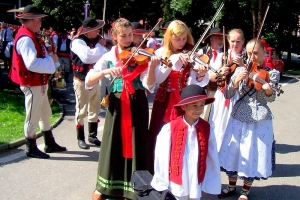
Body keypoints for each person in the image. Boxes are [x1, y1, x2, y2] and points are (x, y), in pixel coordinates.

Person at [86, 18, 161, 200]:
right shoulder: (108, 56)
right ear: (114, 36)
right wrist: (104, 72)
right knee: (113, 142)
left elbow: (148, 84)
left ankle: (134, 187)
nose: (128, 40)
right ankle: (105, 186)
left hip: (137, 103)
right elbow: (89, 80)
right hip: (117, 103)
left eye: (130, 35)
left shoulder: (141, 56)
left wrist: (151, 68)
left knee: (137, 142)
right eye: (123, 36)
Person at [218, 39, 280, 200]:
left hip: (259, 117)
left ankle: (245, 190)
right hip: (239, 113)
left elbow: (271, 98)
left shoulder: (271, 73)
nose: (252, 57)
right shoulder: (240, 70)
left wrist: (267, 90)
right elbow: (227, 94)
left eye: (256, 53)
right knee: (234, 150)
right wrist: (236, 80)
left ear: (263, 54)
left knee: (252, 152)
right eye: (249, 53)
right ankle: (231, 185)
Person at [146, 20, 209, 174]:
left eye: (184, 38)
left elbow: (196, 83)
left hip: (184, 101)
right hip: (164, 101)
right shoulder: (161, 53)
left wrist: (201, 75)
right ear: (169, 38)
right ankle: (160, 171)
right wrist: (173, 61)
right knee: (162, 136)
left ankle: (179, 170)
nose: (181, 43)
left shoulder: (191, 55)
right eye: (177, 39)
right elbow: (157, 80)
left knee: (181, 137)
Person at [9, 5, 66, 159]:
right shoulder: (26, 38)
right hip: (31, 83)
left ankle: (49, 142)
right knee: (32, 116)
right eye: (39, 20)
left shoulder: (31, 35)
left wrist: (47, 54)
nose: (41, 23)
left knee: (45, 113)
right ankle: (30, 146)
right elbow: (32, 64)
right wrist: (51, 60)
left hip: (38, 83)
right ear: (33, 21)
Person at [151, 84, 221, 200]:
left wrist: (207, 183)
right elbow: (162, 156)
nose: (199, 109)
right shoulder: (170, 128)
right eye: (194, 105)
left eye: (202, 105)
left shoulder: (207, 128)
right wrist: (162, 182)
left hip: (196, 179)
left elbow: (212, 157)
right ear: (184, 107)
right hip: (177, 181)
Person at [71, 17, 107, 149]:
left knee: (95, 108)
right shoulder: (77, 42)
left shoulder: (96, 41)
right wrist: (100, 45)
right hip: (81, 80)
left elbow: (104, 55)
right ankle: (80, 138)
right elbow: (88, 57)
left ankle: (92, 135)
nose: (98, 31)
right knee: (81, 110)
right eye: (95, 29)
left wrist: (100, 45)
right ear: (88, 31)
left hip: (95, 79)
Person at [209, 28, 246, 151]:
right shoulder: (222, 55)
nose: (235, 44)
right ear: (228, 41)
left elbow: (251, 77)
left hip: (238, 96)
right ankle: (217, 151)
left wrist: (243, 65)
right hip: (222, 94)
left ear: (243, 42)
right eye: (232, 41)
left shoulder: (247, 57)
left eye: (238, 41)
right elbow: (212, 77)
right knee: (218, 122)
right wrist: (220, 71)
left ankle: (232, 155)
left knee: (235, 126)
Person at [197, 27, 229, 121]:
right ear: (211, 39)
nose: (221, 40)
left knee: (216, 119)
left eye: (222, 38)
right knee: (202, 117)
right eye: (218, 38)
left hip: (219, 91)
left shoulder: (226, 54)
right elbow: (196, 71)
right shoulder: (202, 52)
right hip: (204, 90)